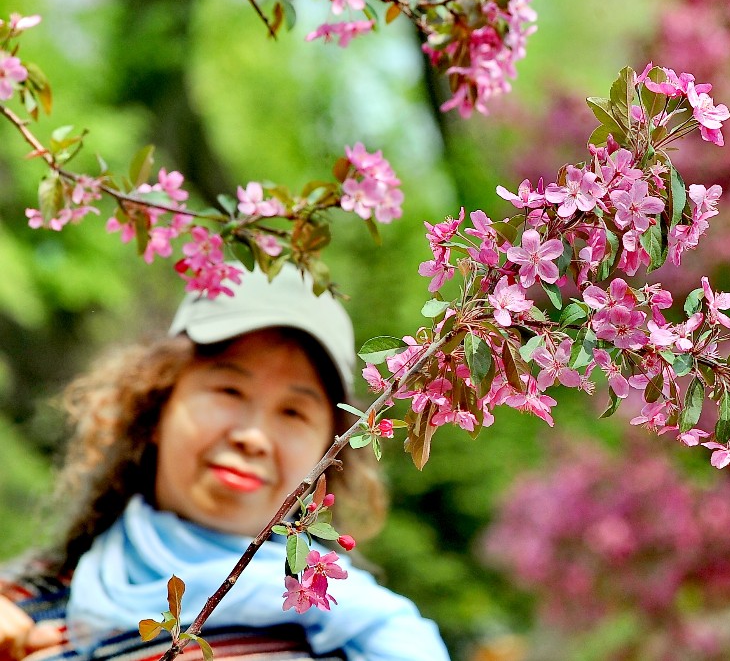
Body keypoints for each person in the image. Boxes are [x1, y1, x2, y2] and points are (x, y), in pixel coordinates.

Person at [0, 265, 451, 661]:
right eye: (228, 391)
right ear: (155, 408)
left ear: (328, 456)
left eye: (293, 412)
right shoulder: (19, 611)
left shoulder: (367, 637)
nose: (253, 437)